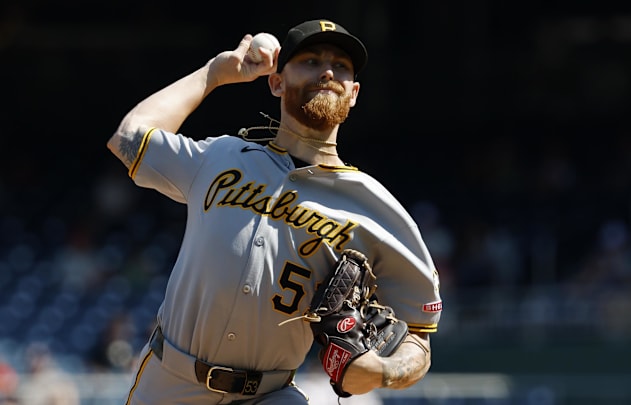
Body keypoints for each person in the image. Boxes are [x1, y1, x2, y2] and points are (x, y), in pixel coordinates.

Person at [107, 18, 442, 404]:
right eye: (310, 61)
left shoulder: (375, 207)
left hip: (270, 394)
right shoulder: (221, 157)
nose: (327, 71)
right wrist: (213, 74)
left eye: (341, 66)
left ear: (353, 93)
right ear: (276, 82)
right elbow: (129, 138)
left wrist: (384, 371)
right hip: (170, 383)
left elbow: (419, 338)